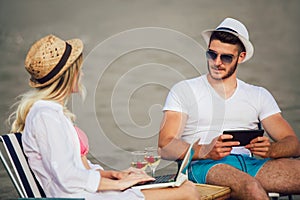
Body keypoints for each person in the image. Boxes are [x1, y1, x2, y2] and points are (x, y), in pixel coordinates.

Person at [8, 34, 200, 200]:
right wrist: (119, 185)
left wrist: (116, 175)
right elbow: (67, 178)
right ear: (69, 75)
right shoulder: (45, 117)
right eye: (79, 69)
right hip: (80, 197)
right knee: (188, 192)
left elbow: (74, 169)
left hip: (87, 194)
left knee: (185, 187)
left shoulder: (52, 114)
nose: (82, 74)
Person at [158, 17, 300, 199]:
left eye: (226, 57)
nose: (217, 62)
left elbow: (293, 144)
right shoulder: (184, 90)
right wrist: (204, 150)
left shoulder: (258, 94)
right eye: (212, 54)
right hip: (204, 165)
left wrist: (272, 150)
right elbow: (165, 146)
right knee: (251, 187)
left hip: (251, 164)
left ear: (240, 57)